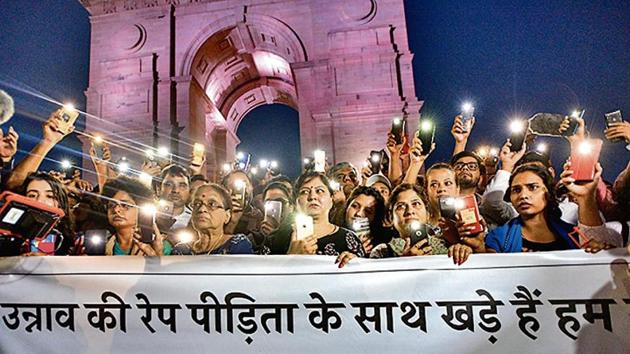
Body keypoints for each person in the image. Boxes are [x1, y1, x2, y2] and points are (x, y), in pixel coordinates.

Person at [286, 171, 365, 265]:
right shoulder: (277, 238)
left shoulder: (349, 239)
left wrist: (355, 263)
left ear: (331, 199)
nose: (312, 197)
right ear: (296, 202)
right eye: (305, 192)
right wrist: (291, 258)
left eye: (319, 191)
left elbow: (365, 275)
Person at [371, 184, 449, 258]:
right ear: (391, 218)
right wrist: (406, 261)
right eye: (401, 206)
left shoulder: (447, 247)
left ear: (428, 214)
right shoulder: (381, 252)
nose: (410, 211)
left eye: (416, 204)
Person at [172, 183, 253, 255]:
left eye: (212, 204)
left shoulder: (237, 245)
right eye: (197, 204)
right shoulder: (182, 251)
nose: (202, 209)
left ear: (227, 216)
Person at [101, 176, 170, 256]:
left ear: (140, 210)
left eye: (125, 205)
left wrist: (158, 255)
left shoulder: (160, 245)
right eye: (111, 205)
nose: (116, 210)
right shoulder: (100, 244)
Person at [18, 172, 76, 255]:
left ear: (61, 203)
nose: (40, 201)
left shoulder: (70, 239)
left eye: (50, 196)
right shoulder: (9, 235)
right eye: (32, 195)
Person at [343, 186, 390, 255]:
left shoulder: (384, 244)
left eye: (368, 211)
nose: (359, 214)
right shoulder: (332, 234)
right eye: (355, 206)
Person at [222, 170, 263, 235]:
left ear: (252, 187)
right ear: (225, 190)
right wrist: (231, 223)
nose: (243, 189)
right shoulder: (219, 215)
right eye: (234, 185)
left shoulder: (260, 217)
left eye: (245, 184)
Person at [158, 165, 192, 232]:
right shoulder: (145, 217)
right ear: (158, 189)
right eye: (169, 185)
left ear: (189, 191)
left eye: (182, 186)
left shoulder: (195, 221)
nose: (176, 190)